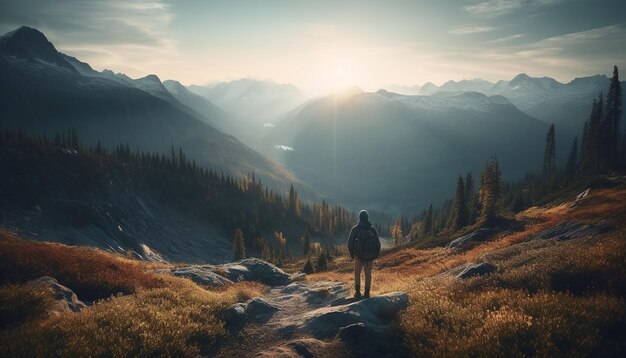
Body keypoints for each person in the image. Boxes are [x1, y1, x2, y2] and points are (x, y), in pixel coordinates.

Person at [347, 210, 381, 299]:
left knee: (357, 273)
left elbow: (350, 243)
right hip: (369, 256)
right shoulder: (372, 229)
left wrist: (352, 255)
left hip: (359, 256)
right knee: (368, 274)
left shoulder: (355, 228)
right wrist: (376, 255)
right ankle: (367, 293)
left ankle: (357, 292)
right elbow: (378, 243)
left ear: (359, 218)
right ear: (367, 218)